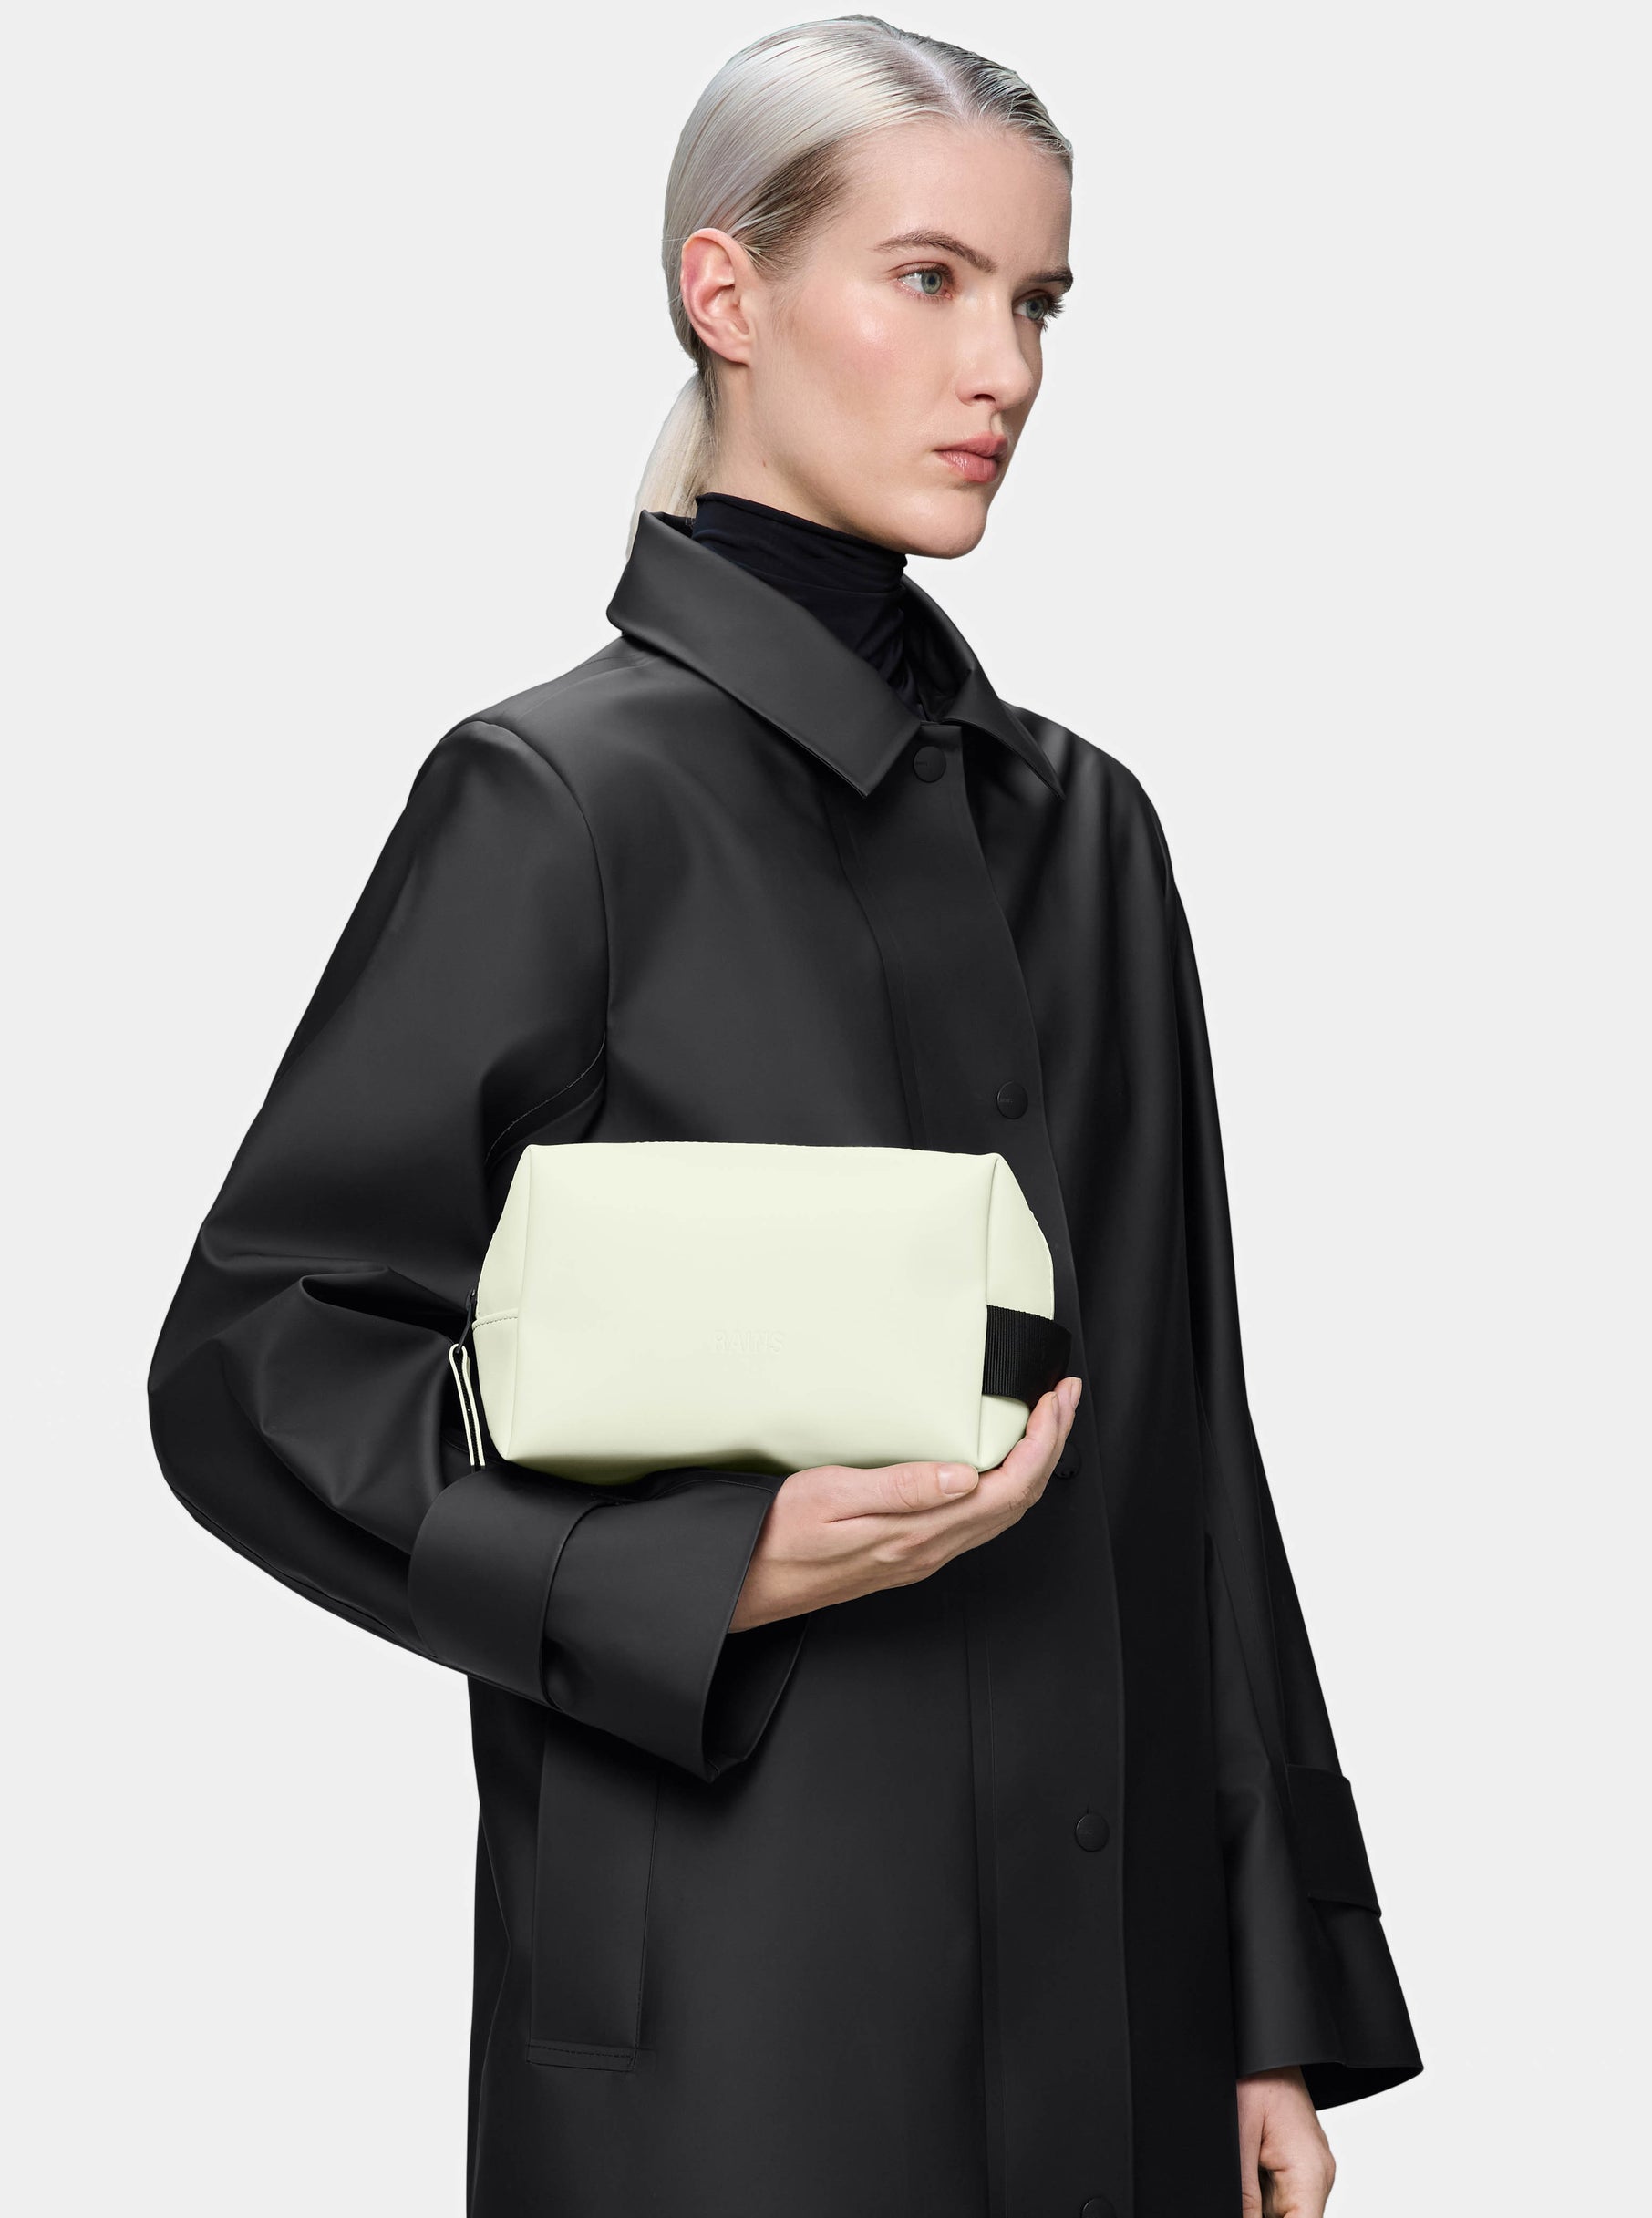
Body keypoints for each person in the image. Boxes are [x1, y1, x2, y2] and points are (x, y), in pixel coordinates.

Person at [147, 16, 1420, 2215]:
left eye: (1036, 301)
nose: (1001, 367)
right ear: (723, 292)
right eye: (927, 279)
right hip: (733, 2018)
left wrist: (1260, 2006)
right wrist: (690, 1565)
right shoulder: (558, 801)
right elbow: (256, 1362)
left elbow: (1183, 1450)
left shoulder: (1087, 833)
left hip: (1112, 2003)